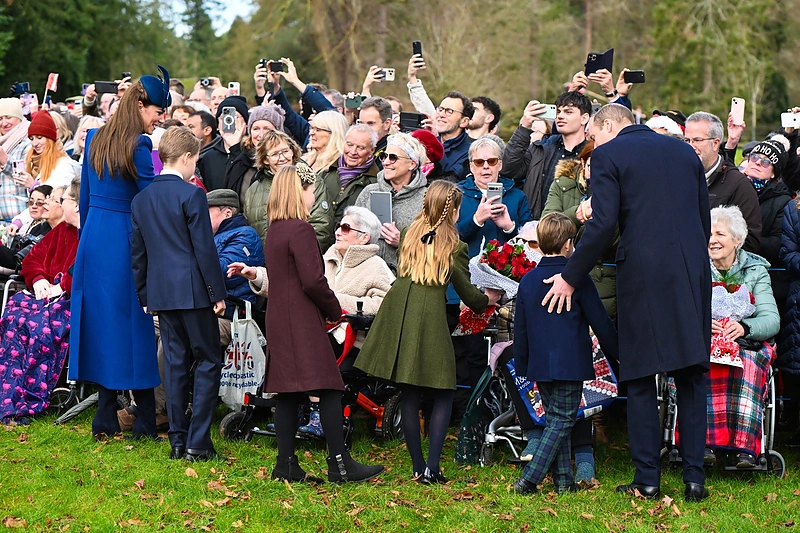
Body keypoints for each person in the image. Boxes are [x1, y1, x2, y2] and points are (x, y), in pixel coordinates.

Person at [542, 104, 712, 502]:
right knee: (691, 377)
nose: (593, 144)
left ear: (607, 126)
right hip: (691, 271)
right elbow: (703, 219)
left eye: (594, 135)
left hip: (643, 272)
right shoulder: (684, 151)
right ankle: (694, 480)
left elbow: (603, 223)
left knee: (639, 378)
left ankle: (648, 480)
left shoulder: (608, 153)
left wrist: (570, 275)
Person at [354, 181, 503, 483]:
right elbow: (467, 293)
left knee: (410, 392)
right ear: (454, 210)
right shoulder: (455, 247)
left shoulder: (410, 235)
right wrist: (489, 298)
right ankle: (432, 469)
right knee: (443, 391)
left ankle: (417, 466)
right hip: (430, 317)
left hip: (400, 312)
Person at [248, 163, 384, 483]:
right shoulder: (300, 229)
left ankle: (286, 465)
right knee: (331, 389)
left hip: (279, 319)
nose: (313, 198)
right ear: (300, 191)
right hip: (302, 321)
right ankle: (339, 464)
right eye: (311, 191)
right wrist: (335, 310)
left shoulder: (275, 230)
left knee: (288, 394)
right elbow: (313, 281)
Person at [69, 66, 172, 441]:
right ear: (141, 105)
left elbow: (83, 201)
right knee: (136, 329)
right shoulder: (140, 146)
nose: (159, 120)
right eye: (157, 112)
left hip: (94, 240)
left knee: (102, 328)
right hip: (124, 242)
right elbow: (153, 200)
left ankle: (104, 416)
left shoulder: (94, 137)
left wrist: (86, 241)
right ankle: (144, 418)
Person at [229, 206, 394, 438]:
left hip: (353, 339)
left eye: (346, 228)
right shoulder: (327, 258)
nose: (338, 232)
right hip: (319, 330)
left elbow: (386, 304)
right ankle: (292, 411)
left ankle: (315, 414)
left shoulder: (376, 267)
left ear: (364, 237)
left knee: (306, 349)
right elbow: (292, 284)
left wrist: (338, 302)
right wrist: (256, 274)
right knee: (291, 345)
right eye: (338, 226)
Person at [131, 126, 228, 462]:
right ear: (186, 157)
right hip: (194, 292)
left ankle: (177, 439)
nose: (195, 167)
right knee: (208, 360)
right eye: (196, 160)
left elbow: (138, 253)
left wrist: (144, 295)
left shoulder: (141, 199)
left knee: (174, 365)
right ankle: (197, 442)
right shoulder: (192, 195)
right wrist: (217, 291)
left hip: (161, 293)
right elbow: (204, 247)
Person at [512, 212, 618, 494]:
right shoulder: (577, 279)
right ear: (569, 244)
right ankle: (529, 479)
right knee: (563, 420)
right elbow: (600, 322)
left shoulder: (528, 281)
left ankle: (564, 481)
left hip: (538, 363)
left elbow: (519, 329)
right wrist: (619, 352)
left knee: (554, 419)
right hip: (570, 362)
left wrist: (523, 364)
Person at [0, 178, 80, 423]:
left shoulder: (89, 233)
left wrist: (61, 286)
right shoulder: (60, 232)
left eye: (61, 200)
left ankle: (29, 398)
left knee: (41, 326)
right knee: (13, 317)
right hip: (42, 296)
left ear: (76, 205)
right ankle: (8, 396)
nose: (53, 205)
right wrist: (36, 280)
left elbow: (86, 270)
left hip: (69, 302)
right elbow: (31, 259)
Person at [705, 206, 779, 468]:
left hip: (746, 343)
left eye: (720, 234)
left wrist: (745, 328)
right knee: (701, 362)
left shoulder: (755, 271)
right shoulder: (696, 266)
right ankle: (704, 442)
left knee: (748, 362)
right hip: (707, 340)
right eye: (709, 233)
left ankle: (745, 448)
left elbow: (771, 319)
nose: (712, 239)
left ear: (737, 239)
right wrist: (703, 324)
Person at [542, 141, 617, 321]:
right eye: (593, 165)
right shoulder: (563, 185)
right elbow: (545, 227)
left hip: (607, 278)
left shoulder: (618, 188)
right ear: (583, 163)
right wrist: (579, 214)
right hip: (564, 274)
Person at [503, 91, 592, 219]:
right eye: (558, 112)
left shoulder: (593, 154)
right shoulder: (540, 149)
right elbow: (508, 170)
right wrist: (524, 127)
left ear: (584, 118)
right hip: (535, 227)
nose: (560, 116)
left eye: (568, 112)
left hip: (577, 230)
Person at [684, 112, 761, 253]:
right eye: (687, 141)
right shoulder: (677, 179)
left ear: (715, 143)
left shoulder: (738, 185)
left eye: (697, 140)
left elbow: (751, 242)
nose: (690, 146)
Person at [354, 132, 428, 269]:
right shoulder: (368, 192)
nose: (386, 162)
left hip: (406, 281)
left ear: (412, 164)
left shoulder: (427, 199)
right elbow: (351, 234)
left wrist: (403, 241)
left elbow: (435, 249)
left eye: (393, 158)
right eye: (384, 156)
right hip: (367, 277)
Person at [457, 136, 531, 256]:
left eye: (492, 161)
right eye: (479, 162)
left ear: (500, 165)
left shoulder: (517, 196)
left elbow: (531, 243)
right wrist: (476, 220)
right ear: (471, 167)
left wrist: (509, 227)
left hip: (508, 271)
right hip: (466, 270)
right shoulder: (456, 194)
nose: (486, 166)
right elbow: (446, 238)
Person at [743, 136, 792, 319]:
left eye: (765, 162)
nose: (757, 163)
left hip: (766, 280)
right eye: (755, 157)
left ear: (774, 173)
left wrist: (739, 241)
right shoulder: (734, 187)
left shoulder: (783, 201)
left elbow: (776, 244)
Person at [309, 123, 379, 252]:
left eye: (360, 147)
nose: (353, 152)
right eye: (350, 145)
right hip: (320, 250)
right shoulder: (325, 172)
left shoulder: (376, 184)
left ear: (372, 150)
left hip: (351, 254)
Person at [243, 130, 303, 246]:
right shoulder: (253, 190)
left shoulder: (308, 181)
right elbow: (250, 230)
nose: (282, 158)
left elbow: (320, 225)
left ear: (292, 152)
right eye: (275, 154)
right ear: (265, 159)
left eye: (285, 151)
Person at [225, 104, 286, 205]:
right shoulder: (240, 160)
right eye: (256, 129)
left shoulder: (285, 161)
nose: (261, 134)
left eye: (267, 129)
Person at [196, 96, 248, 191]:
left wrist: (235, 148)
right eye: (224, 118)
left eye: (235, 117)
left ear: (246, 123)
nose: (229, 122)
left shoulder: (252, 154)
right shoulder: (208, 157)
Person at [0, 98, 31, 222]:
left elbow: (25, 179)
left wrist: (5, 160)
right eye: (0, 119)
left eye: (8, 117)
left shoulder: (28, 142)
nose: (4, 123)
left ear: (19, 117)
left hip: (21, 219)